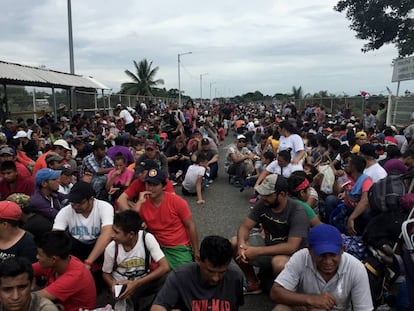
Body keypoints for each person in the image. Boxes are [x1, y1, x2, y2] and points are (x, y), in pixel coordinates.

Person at [231, 174, 309, 294]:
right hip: (268, 245)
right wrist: (242, 246)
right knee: (234, 242)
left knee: (279, 263)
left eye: (267, 195)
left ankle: (287, 296)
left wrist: (255, 251)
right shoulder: (263, 204)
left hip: (291, 255)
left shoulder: (297, 211)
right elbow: (245, 227)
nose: (263, 197)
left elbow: (291, 247)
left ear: (281, 194)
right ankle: (254, 282)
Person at [270, 224, 373, 311]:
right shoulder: (301, 257)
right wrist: (310, 299)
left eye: (333, 255)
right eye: (322, 255)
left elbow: (364, 309)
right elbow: (275, 292)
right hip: (307, 308)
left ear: (342, 250)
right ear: (310, 250)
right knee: (281, 308)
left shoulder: (356, 268)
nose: (328, 262)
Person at [150, 235, 244, 311]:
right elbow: (158, 307)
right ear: (198, 260)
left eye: (222, 272)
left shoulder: (235, 277)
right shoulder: (180, 276)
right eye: (210, 271)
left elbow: (235, 306)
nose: (216, 278)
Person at [131, 168, 199, 270]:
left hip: (177, 247)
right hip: (156, 246)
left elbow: (190, 226)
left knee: (185, 274)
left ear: (164, 186)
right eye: (148, 184)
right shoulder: (143, 202)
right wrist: (140, 202)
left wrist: (196, 252)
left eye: (155, 185)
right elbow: (129, 221)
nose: (150, 188)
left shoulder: (177, 202)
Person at [102, 210, 170, 311]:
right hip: (122, 286)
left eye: (116, 232)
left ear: (131, 234)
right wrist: (113, 284)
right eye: (113, 230)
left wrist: (136, 284)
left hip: (142, 282)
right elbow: (105, 274)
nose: (112, 235)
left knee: (169, 279)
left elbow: (165, 267)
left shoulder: (146, 238)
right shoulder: (111, 248)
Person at [53, 180, 113, 270]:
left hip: (97, 247)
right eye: (73, 203)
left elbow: (107, 234)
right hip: (75, 248)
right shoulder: (66, 211)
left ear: (91, 199)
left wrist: (89, 262)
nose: (76, 206)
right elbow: (55, 236)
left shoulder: (104, 207)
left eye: (80, 203)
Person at [33, 231, 97, 311]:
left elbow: (35, 298)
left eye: (40, 255)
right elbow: (26, 269)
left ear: (53, 259)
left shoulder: (74, 276)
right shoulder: (60, 261)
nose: (37, 257)